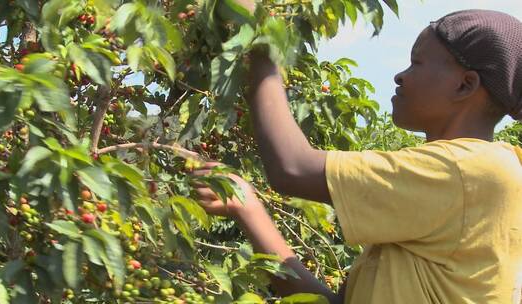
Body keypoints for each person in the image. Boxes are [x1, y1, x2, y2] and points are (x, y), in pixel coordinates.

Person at [191, 9, 522, 304]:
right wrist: (246, 207)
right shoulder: (433, 200)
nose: (400, 75)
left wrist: (262, 41)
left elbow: (292, 166)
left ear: (465, 86)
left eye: (417, 62)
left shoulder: (472, 170)